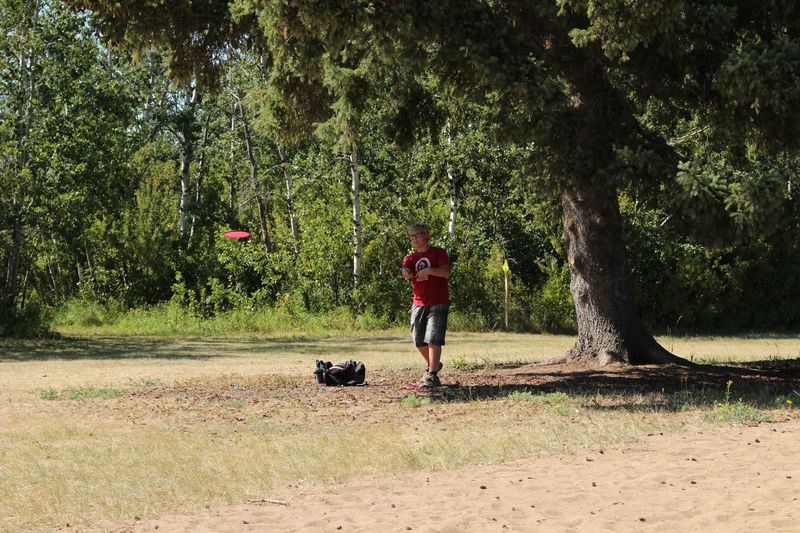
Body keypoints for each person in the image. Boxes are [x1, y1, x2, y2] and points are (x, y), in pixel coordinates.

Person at [401, 223, 451, 388]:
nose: (414, 238)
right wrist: (405, 273)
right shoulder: (410, 258)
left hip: (438, 300)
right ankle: (434, 364)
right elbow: (405, 271)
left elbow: (446, 272)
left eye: (417, 235)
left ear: (427, 235)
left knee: (433, 338)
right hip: (419, 302)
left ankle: (432, 374)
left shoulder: (438, 253)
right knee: (418, 339)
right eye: (411, 236)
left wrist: (429, 271)